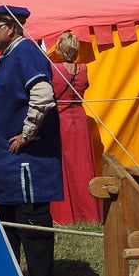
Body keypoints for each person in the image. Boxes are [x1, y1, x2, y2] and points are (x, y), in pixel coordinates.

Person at [0, 4, 62, 276]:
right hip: (6, 169)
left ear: (10, 28)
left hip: (24, 167)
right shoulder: (9, 56)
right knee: (9, 232)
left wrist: (27, 133)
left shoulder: (26, 52)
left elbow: (43, 95)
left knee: (33, 234)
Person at [51, 30, 102, 223]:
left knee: (64, 165)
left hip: (61, 118)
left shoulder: (53, 69)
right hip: (79, 119)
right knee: (83, 166)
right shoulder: (83, 69)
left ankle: (64, 215)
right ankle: (89, 214)